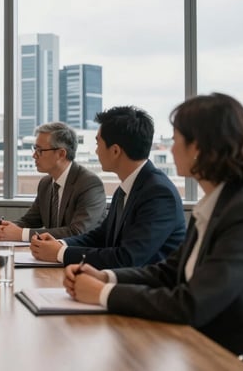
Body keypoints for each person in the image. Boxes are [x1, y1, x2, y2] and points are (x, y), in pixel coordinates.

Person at [64, 93, 243, 365]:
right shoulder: (215, 203)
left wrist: (103, 294)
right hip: (200, 342)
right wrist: (106, 277)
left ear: (199, 147)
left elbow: (192, 303)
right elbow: (169, 271)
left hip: (236, 357)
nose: (170, 149)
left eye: (175, 139)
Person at [30, 106, 185, 269]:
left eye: (98, 143)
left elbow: (127, 258)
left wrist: (60, 253)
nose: (96, 151)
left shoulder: (158, 194)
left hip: (147, 289)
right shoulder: (126, 188)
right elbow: (101, 236)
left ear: (115, 150)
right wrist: (60, 243)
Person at [0, 122, 106, 240]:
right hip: (48, 255)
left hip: (81, 257)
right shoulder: (45, 184)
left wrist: (22, 234)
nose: (34, 155)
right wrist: (5, 227)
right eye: (35, 149)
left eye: (40, 150)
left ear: (61, 154)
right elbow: (29, 221)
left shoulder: (89, 184)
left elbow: (77, 232)